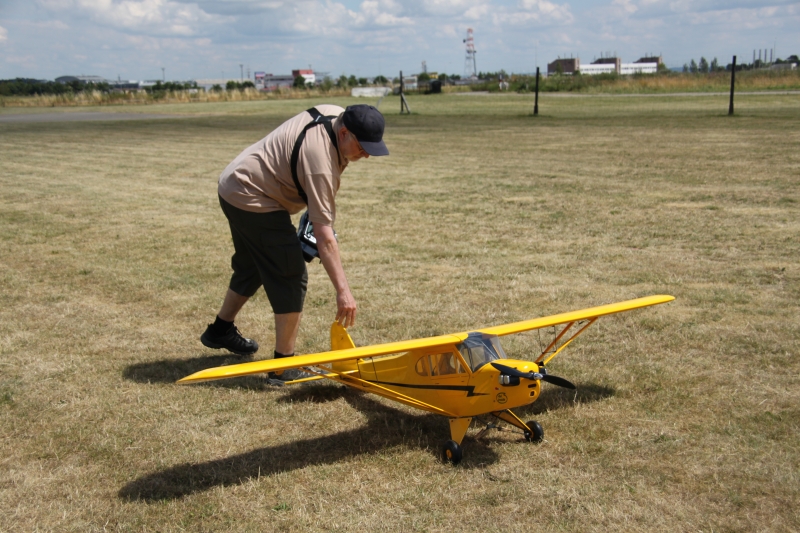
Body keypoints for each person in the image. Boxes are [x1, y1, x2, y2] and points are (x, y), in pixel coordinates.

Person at [200, 104, 389, 376]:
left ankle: (220, 331)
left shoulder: (336, 114)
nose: (367, 155)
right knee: (290, 275)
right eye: (363, 147)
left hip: (235, 185)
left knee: (253, 264)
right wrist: (344, 292)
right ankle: (282, 367)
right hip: (252, 196)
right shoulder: (320, 162)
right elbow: (325, 238)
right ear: (345, 132)